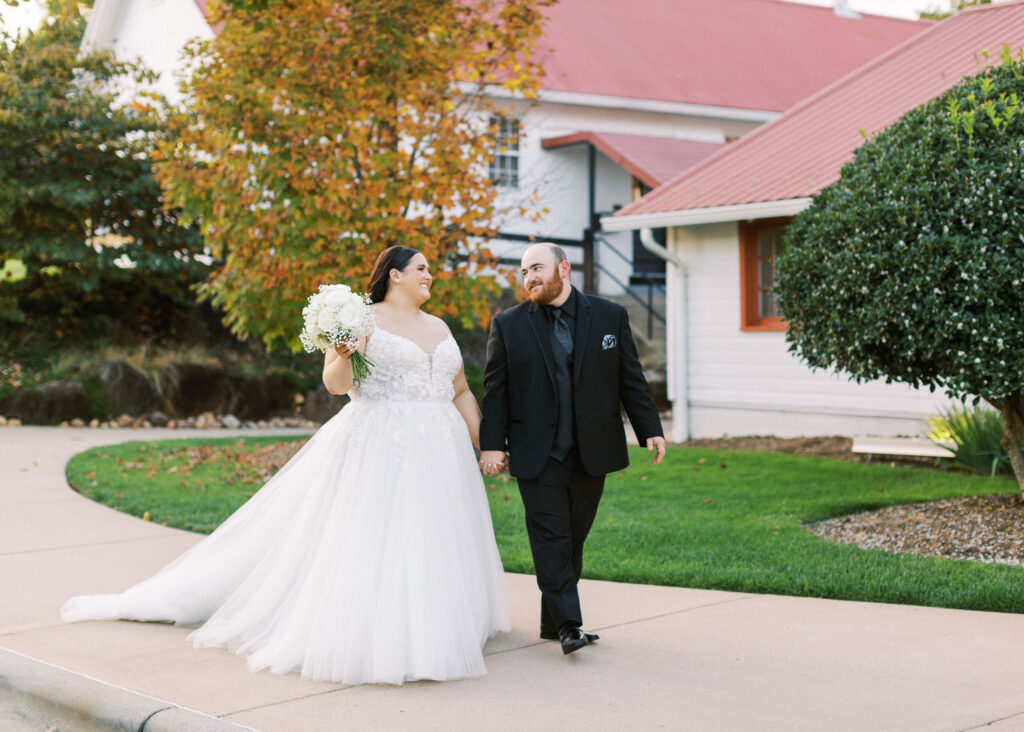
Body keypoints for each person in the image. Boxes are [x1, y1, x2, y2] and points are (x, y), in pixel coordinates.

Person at [62, 246, 510, 685]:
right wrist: (348, 350)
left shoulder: (439, 326)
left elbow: (460, 391)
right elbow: (334, 385)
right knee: (380, 539)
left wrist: (487, 444)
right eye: (421, 268)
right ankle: (382, 636)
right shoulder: (361, 318)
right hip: (380, 444)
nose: (429, 275)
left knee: (434, 536)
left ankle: (437, 625)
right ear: (394, 275)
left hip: (441, 452)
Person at [479, 242, 665, 655]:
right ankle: (568, 625)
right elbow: (496, 392)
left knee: (573, 539)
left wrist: (649, 428)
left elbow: (629, 377)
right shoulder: (509, 325)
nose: (529, 277)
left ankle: (551, 620)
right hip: (537, 452)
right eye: (525, 271)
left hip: (591, 450)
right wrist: (492, 445)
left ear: (564, 269)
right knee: (550, 537)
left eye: (537, 268)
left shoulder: (609, 315)